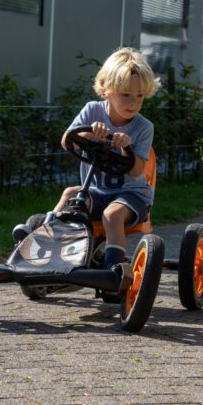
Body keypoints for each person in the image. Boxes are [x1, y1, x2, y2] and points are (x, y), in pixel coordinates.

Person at [51, 47, 159, 266]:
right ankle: (43, 238)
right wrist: (89, 133)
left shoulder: (144, 127)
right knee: (70, 194)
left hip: (132, 195)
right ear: (107, 90)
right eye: (126, 95)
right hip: (96, 191)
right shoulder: (92, 110)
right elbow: (67, 142)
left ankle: (112, 270)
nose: (133, 103)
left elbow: (137, 171)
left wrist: (126, 148)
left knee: (112, 215)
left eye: (139, 96)